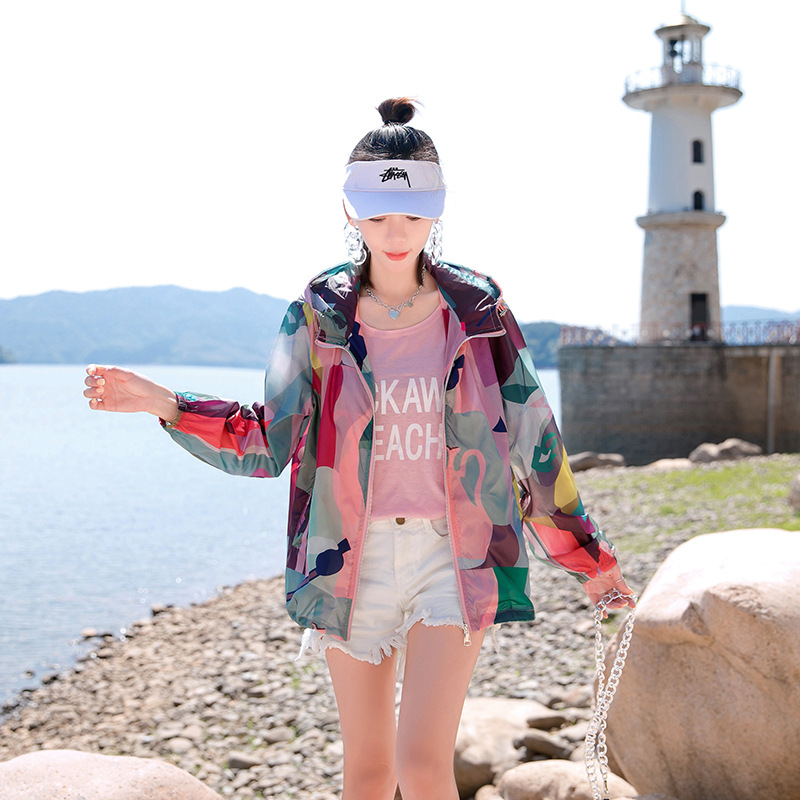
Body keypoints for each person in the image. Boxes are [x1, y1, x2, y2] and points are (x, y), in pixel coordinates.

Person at [84, 97, 635, 800]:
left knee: (423, 767)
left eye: (411, 214)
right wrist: (165, 403)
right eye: (376, 215)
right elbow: (269, 440)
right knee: (368, 774)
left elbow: (535, 442)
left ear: (437, 209)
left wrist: (591, 561)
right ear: (350, 211)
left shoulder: (479, 312)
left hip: (453, 555)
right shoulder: (320, 316)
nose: (395, 232)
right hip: (348, 558)